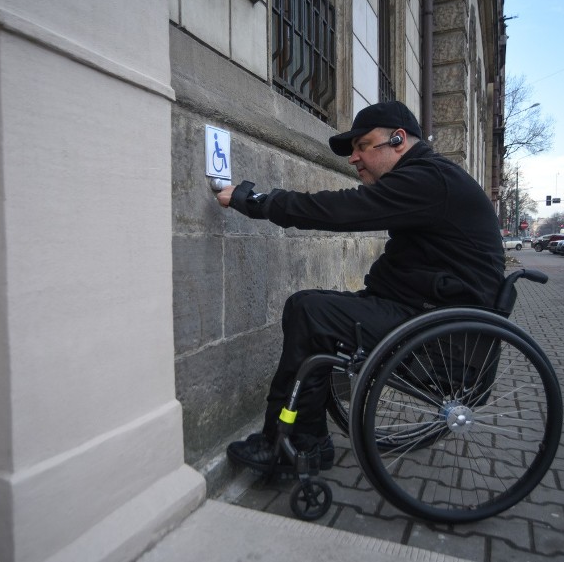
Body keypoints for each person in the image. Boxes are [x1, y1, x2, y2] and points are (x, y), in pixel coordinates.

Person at [215, 101, 505, 474]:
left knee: (309, 312)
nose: (353, 158)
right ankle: (304, 441)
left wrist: (254, 199)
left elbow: (341, 210)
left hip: (443, 338)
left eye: (362, 145)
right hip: (431, 318)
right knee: (314, 312)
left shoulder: (429, 179)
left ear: (397, 140)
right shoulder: (430, 178)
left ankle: (289, 447)